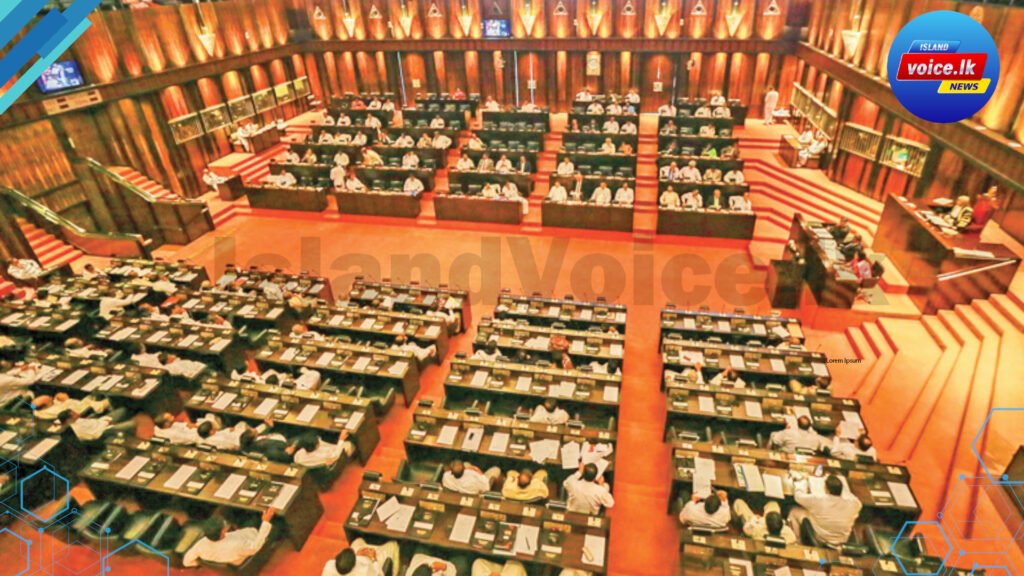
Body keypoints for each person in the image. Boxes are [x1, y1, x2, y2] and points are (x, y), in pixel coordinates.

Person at [182, 508, 275, 568]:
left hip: (243, 536)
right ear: (223, 531)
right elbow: (255, 546)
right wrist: (266, 522)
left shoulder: (201, 545)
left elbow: (186, 562)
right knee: (276, 525)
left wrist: (201, 564)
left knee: (251, 519)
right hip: (252, 543)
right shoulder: (236, 545)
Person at [788, 474, 863, 547]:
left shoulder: (819, 500)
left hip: (820, 538)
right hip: (842, 540)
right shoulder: (855, 504)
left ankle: (798, 543)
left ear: (826, 489)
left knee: (794, 511)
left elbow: (798, 497)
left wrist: (802, 482)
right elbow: (854, 500)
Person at [732, 499, 798, 544]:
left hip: (756, 524)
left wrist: (754, 519)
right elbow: (793, 539)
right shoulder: (788, 533)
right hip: (766, 524)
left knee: (738, 502)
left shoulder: (756, 530)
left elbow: (746, 529)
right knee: (773, 504)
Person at [323, 539, 401, 576]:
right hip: (374, 568)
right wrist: (373, 558)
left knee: (357, 541)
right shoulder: (364, 570)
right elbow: (379, 574)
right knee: (393, 544)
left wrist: (358, 555)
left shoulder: (328, 566)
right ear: (354, 565)